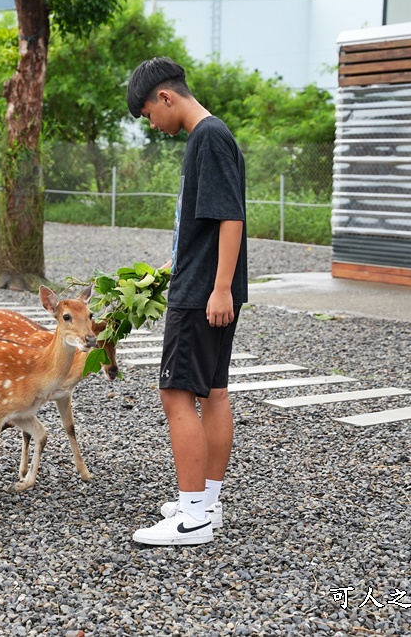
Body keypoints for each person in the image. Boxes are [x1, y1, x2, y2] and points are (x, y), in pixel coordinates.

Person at [125, 57, 248, 546]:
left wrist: (217, 288)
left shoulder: (207, 137)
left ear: (165, 97)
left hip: (203, 293)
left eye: (149, 116)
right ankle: (207, 503)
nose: (153, 126)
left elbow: (229, 218)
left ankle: (193, 516)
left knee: (176, 393)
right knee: (212, 392)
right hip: (204, 285)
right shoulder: (213, 135)